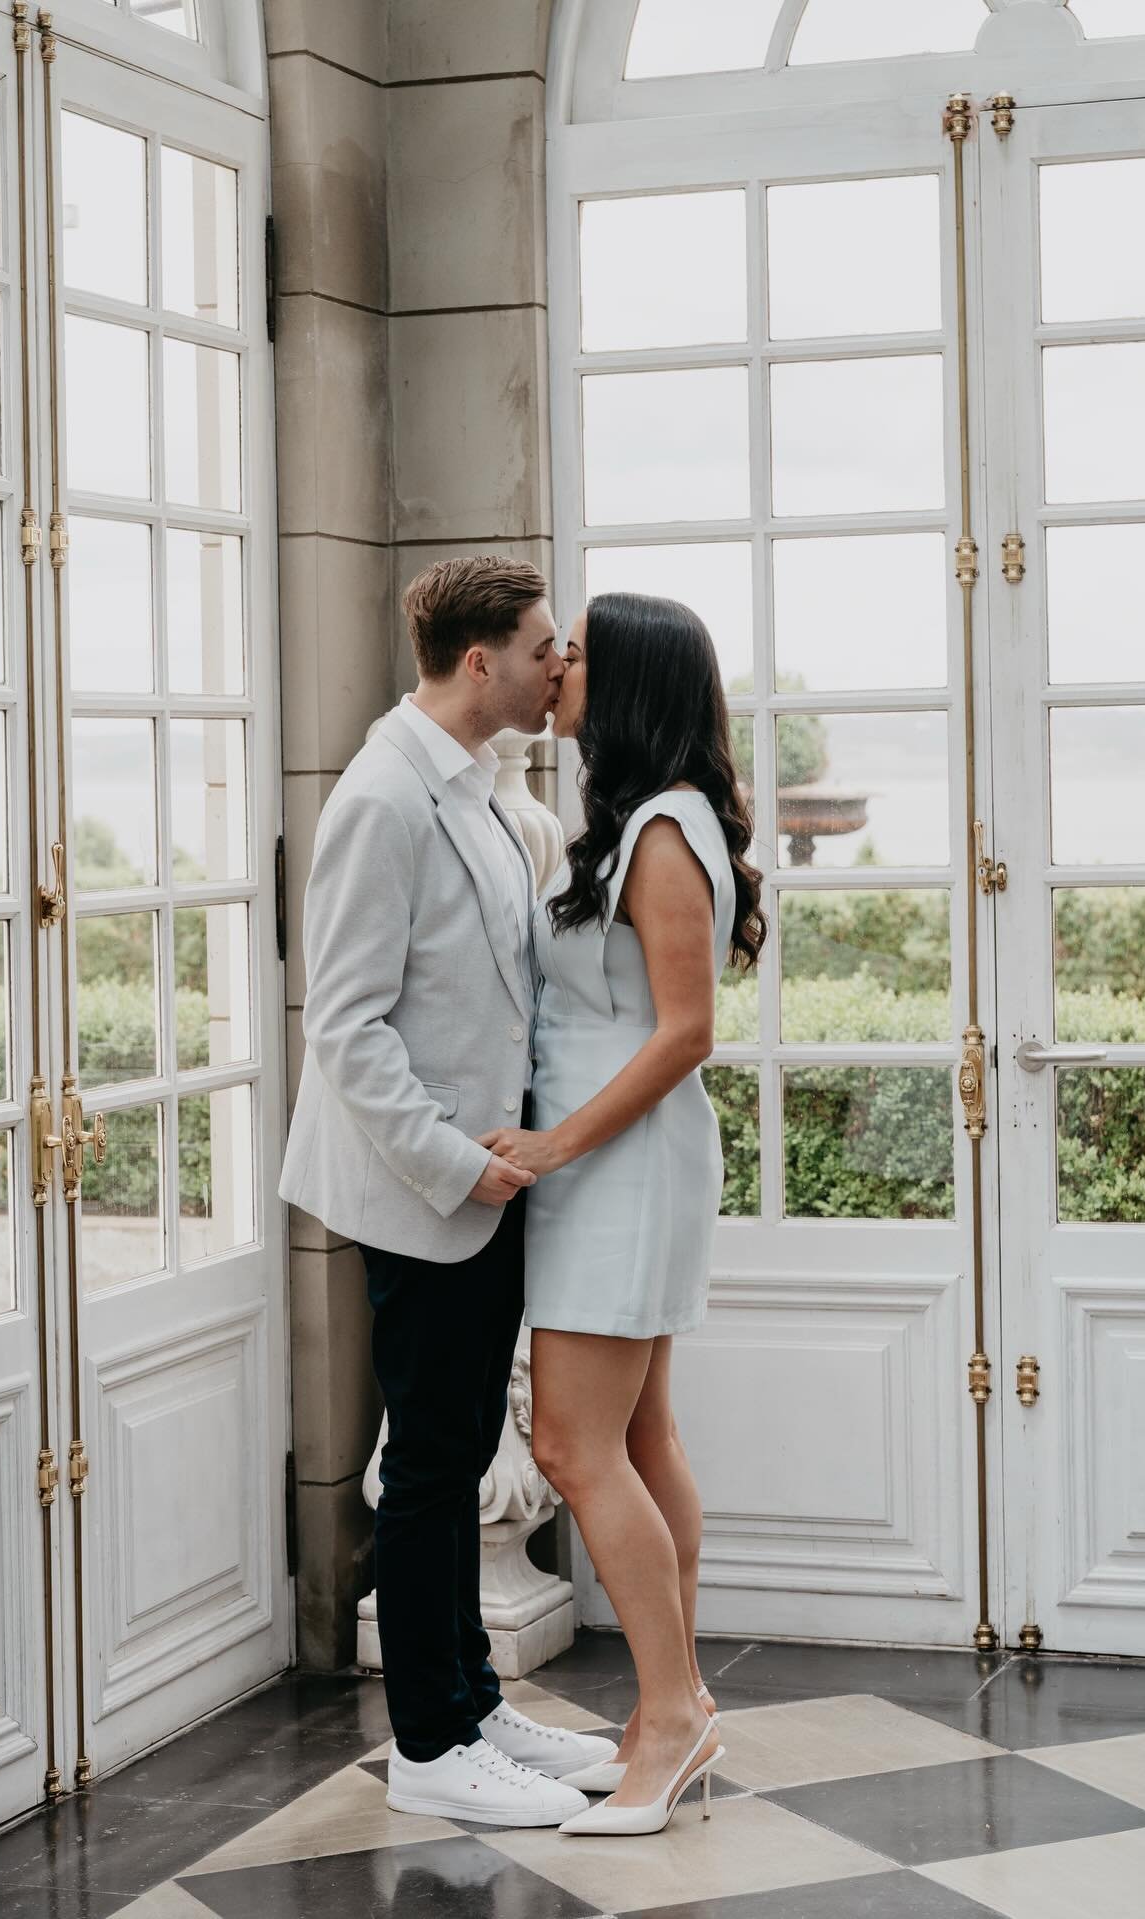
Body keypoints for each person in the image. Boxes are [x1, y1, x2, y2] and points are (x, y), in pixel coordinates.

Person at [278, 557, 615, 1829]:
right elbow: (347, 1024)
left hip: (488, 1184)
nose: (555, 667)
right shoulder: (381, 796)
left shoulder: (473, 788)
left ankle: (473, 1702)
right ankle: (428, 1742)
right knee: (430, 1465)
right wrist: (458, 1162)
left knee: (464, 1446)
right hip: (428, 1190)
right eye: (542, 647)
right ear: (480, 660)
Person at [478, 592, 767, 1837]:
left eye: (580, 649)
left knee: (570, 1447)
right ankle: (677, 1702)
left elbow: (687, 1032)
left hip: (624, 1167)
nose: (562, 664)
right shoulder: (645, 820)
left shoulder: (660, 831)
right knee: (641, 1439)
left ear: (633, 678)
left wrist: (553, 1142)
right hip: (617, 1166)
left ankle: (667, 1715)